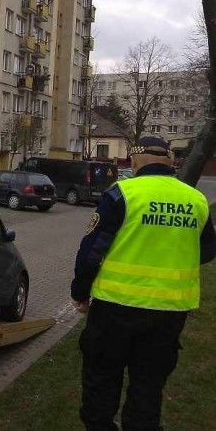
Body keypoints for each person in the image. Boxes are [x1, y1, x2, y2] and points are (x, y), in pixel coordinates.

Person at [71, 136, 216, 430]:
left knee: (102, 381)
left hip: (115, 308)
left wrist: (80, 293)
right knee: (148, 388)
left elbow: (91, 251)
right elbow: (208, 250)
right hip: (168, 311)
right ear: (170, 162)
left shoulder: (122, 194)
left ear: (136, 161)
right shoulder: (195, 199)